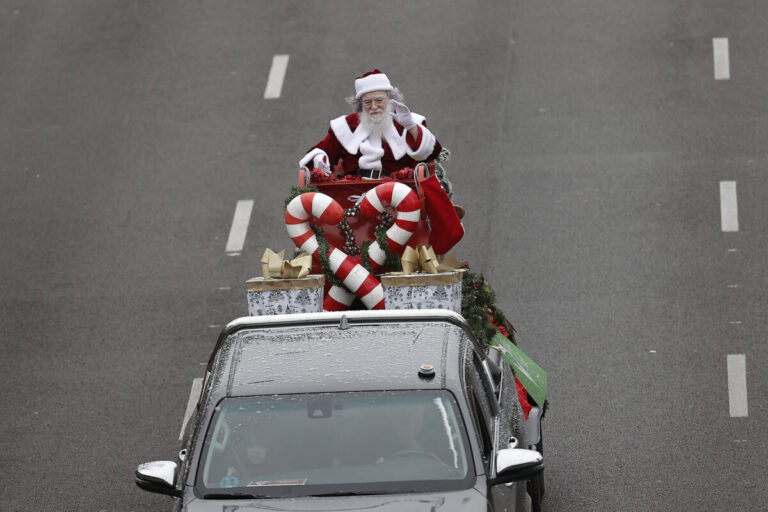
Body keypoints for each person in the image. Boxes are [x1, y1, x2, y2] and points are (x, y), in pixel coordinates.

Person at [299, 69, 443, 179]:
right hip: (353, 191)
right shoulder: (346, 125)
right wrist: (319, 157)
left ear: (391, 99)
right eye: (367, 102)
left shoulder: (409, 121)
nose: (374, 107)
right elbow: (321, 151)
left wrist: (410, 126)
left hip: (401, 191)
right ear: (360, 105)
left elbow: (432, 152)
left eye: (379, 100)